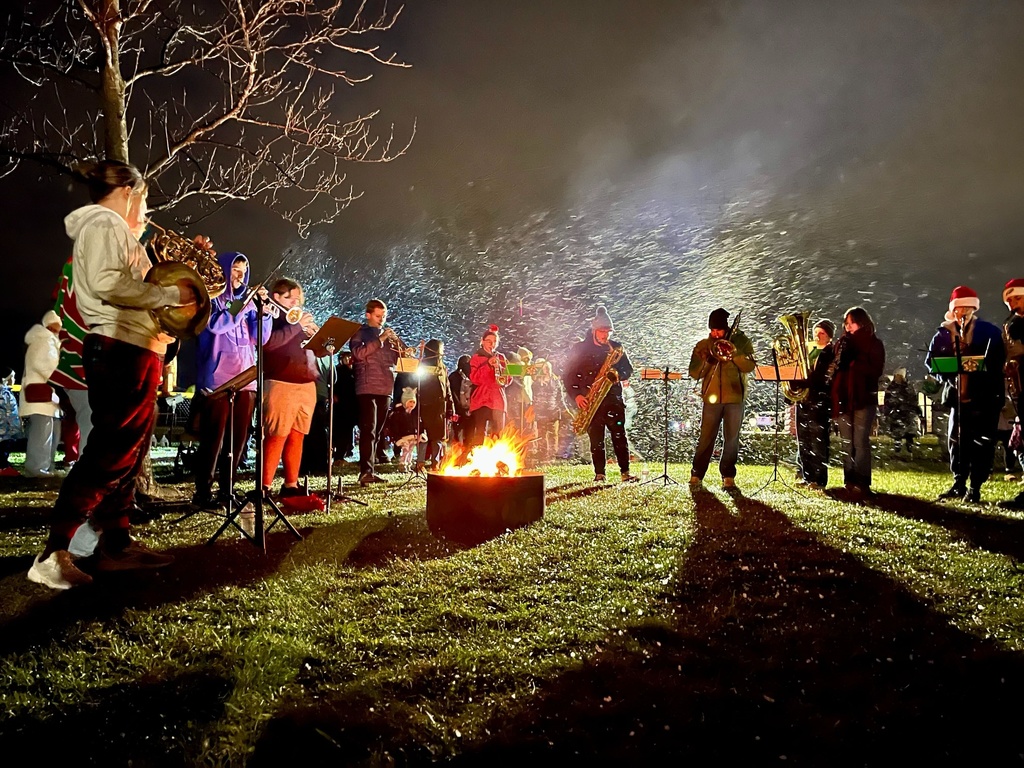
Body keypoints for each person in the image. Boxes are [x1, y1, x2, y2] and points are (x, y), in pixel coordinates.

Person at [28, 159, 200, 590]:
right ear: (129, 192)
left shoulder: (115, 230)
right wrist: (167, 293)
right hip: (120, 350)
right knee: (110, 453)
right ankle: (53, 553)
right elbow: (107, 283)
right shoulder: (103, 224)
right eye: (144, 200)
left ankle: (116, 544)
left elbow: (125, 286)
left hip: (136, 349)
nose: (146, 211)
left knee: (129, 452)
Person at [192, 252, 271, 509]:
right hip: (219, 379)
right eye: (235, 269)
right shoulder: (212, 298)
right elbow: (216, 325)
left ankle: (227, 489)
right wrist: (245, 304)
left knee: (238, 440)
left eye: (243, 270)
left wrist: (265, 314)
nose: (239, 275)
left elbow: (260, 338)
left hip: (246, 377)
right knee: (213, 439)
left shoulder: (245, 303)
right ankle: (202, 490)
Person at [926, 286, 1004, 503]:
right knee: (957, 441)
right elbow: (932, 364)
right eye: (959, 308)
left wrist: (979, 370)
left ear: (974, 308)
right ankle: (959, 482)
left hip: (983, 398)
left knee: (982, 442)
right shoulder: (943, 334)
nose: (963, 312)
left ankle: (976, 486)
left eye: (967, 307)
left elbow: (997, 362)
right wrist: (950, 375)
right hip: (957, 398)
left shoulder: (989, 331)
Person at [261, 278, 319, 498]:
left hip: (306, 383)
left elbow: (318, 353)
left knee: (298, 435)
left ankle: (291, 485)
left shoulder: (298, 321)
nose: (296, 301)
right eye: (290, 297)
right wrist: (297, 326)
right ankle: (264, 486)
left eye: (297, 298)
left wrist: (319, 338)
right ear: (276, 297)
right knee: (277, 435)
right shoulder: (271, 316)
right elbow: (269, 343)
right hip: (281, 382)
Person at [565, 306, 637, 483]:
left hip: (613, 399)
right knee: (596, 439)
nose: (606, 335)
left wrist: (617, 375)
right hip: (590, 400)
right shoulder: (580, 349)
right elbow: (568, 375)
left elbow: (628, 370)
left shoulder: (616, 348)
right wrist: (577, 396)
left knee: (619, 436)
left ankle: (625, 472)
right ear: (594, 330)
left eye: (608, 331)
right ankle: (600, 473)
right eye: (602, 331)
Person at [688, 308, 756, 490]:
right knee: (706, 437)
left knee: (732, 438)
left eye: (718, 330)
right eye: (712, 330)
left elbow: (750, 366)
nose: (714, 333)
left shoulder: (740, 341)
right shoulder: (703, 345)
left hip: (735, 398)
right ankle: (697, 474)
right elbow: (694, 373)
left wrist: (734, 354)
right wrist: (707, 360)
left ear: (725, 328)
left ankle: (728, 475)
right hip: (711, 399)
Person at [831, 306, 885, 499]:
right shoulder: (842, 343)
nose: (847, 327)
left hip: (863, 398)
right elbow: (835, 368)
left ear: (861, 322)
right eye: (845, 324)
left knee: (860, 441)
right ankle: (849, 480)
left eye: (850, 323)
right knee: (848, 442)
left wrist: (854, 360)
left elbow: (875, 370)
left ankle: (862, 481)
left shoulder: (873, 343)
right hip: (844, 398)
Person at [349, 298, 400, 485]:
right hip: (367, 385)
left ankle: (371, 469)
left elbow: (398, 360)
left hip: (386, 386)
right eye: (378, 316)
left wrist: (402, 349)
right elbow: (358, 354)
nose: (382, 319)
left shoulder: (388, 336)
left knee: (377, 431)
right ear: (368, 315)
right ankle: (365, 471)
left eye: (384, 316)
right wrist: (381, 339)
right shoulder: (359, 333)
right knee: (368, 430)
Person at [20, 309, 63, 477]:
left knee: (51, 432)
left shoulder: (48, 341)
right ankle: (37, 468)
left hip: (47, 394)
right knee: (42, 433)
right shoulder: (44, 341)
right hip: (41, 394)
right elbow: (42, 364)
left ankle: (45, 467)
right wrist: (60, 375)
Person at [794, 319, 836, 489]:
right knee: (803, 440)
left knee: (818, 441)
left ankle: (819, 480)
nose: (817, 336)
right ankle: (806, 475)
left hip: (819, 400)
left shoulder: (831, 352)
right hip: (803, 399)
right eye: (815, 333)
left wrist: (806, 382)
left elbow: (824, 377)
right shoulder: (808, 351)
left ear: (829, 336)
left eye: (822, 333)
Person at [1000, 278, 1024, 508]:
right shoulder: (1011, 325)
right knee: (1019, 442)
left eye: (1017, 297)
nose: (1013, 304)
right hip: (1020, 388)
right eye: (1009, 300)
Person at [416, 339, 454, 472]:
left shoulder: (442, 366)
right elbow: (418, 386)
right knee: (423, 436)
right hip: (426, 405)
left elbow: (447, 387)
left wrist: (450, 406)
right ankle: (420, 463)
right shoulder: (423, 365)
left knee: (438, 437)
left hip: (439, 407)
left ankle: (435, 463)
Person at [469, 325, 510, 445]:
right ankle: (477, 458)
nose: (492, 344)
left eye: (494, 342)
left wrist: (500, 368)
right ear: (482, 341)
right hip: (481, 399)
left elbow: (508, 380)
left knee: (498, 433)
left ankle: (497, 460)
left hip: (498, 400)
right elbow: (475, 378)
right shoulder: (476, 358)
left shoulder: (501, 357)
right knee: (480, 432)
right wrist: (488, 365)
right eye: (489, 341)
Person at [532, 359, 567, 463]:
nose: (546, 370)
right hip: (540, 412)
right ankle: (542, 456)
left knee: (552, 434)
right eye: (544, 368)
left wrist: (565, 410)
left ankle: (551, 457)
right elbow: (532, 394)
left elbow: (560, 397)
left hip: (553, 411)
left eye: (548, 368)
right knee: (541, 434)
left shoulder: (555, 381)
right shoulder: (536, 382)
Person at [883, 368, 921, 458]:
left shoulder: (907, 386)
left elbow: (913, 398)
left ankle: (909, 450)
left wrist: (913, 408)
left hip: (907, 412)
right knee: (897, 433)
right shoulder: (891, 387)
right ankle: (897, 450)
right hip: (896, 413)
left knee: (909, 434)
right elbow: (887, 400)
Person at [0, 367, 22, 473]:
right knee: (3, 448)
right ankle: (3, 467)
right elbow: (7, 411)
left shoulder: (6, 391)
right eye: (13, 377)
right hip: (5, 429)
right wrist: (12, 426)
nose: (14, 380)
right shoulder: (4, 393)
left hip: (6, 428)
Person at [448, 354, 473, 444]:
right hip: (461, 409)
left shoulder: (456, 376)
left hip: (461, 409)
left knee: (461, 434)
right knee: (461, 434)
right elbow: (454, 394)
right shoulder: (457, 377)